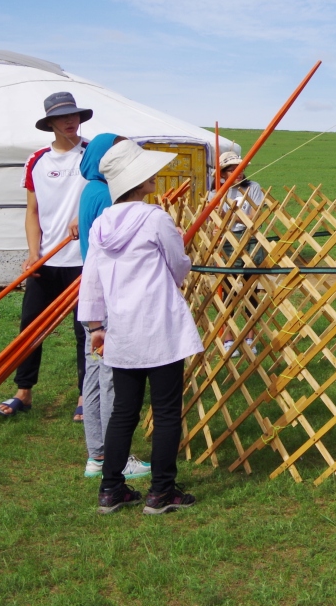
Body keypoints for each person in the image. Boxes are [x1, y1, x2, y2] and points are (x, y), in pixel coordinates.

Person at [81, 140, 203, 515]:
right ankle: (161, 492)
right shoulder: (156, 219)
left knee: (124, 412)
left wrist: (94, 326)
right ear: (139, 178)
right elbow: (178, 263)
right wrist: (176, 271)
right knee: (166, 411)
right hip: (160, 327)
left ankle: (111, 489)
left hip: (122, 330)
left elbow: (92, 280)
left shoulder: (102, 225)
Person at [0, 92, 91, 420]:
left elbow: (111, 194)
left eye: (75, 115)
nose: (71, 121)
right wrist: (32, 253)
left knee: (86, 329)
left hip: (83, 259)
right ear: (50, 123)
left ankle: (85, 395)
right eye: (63, 117)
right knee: (30, 326)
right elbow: (32, 210)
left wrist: (86, 213)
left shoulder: (93, 154)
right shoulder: (37, 160)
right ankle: (24, 391)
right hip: (46, 261)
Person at [76, 133, 151, 480]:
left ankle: (96, 454)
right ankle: (113, 458)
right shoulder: (107, 193)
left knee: (93, 374)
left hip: (90, 293)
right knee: (109, 376)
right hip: (107, 294)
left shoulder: (89, 189)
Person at [217, 151, 267, 355]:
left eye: (239, 167)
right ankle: (228, 337)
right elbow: (214, 220)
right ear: (222, 172)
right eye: (231, 169)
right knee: (228, 290)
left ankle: (250, 336)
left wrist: (233, 216)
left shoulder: (252, 188)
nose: (237, 172)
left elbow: (255, 218)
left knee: (250, 290)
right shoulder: (217, 192)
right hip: (226, 242)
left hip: (250, 241)